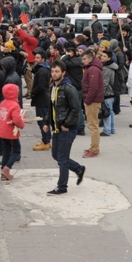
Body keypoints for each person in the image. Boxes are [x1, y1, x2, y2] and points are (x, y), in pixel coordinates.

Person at [46, 60, 85, 195]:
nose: (54, 74)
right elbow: (51, 108)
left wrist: (67, 124)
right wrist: (47, 122)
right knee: (56, 155)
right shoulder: (53, 87)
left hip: (66, 129)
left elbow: (76, 109)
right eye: (52, 71)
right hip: (56, 127)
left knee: (62, 158)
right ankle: (78, 168)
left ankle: (62, 186)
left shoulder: (69, 88)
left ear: (63, 72)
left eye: (57, 71)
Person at [0, 83, 25, 181]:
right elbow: (16, 119)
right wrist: (22, 125)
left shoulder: (2, 103)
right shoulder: (15, 105)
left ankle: (3, 173)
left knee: (6, 151)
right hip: (11, 132)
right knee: (16, 150)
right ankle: (7, 168)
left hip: (2, 131)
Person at [80, 49, 104, 158]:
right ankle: (93, 146)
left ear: (90, 59)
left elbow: (93, 88)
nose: (83, 61)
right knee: (92, 124)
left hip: (93, 101)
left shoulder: (93, 70)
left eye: (84, 59)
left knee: (93, 125)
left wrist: (87, 100)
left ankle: (94, 149)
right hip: (92, 100)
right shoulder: (92, 68)